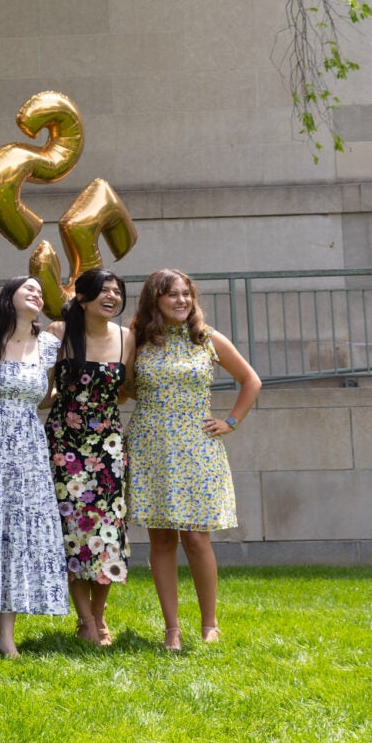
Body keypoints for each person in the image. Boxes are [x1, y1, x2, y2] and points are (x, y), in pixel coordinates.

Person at [126, 268, 261, 651]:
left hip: (196, 450)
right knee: (162, 539)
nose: (182, 300)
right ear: (155, 300)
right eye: (172, 295)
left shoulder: (205, 338)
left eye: (186, 294)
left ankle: (209, 623)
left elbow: (251, 380)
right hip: (149, 446)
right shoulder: (137, 340)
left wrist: (230, 421)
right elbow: (123, 389)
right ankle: (172, 629)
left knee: (197, 539)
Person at [0, 275, 67, 657]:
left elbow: (47, 394)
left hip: (29, 449)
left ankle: (5, 636)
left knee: (18, 533)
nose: (36, 292)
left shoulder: (50, 345)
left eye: (40, 289)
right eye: (28, 288)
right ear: (9, 296)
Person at [43, 269, 134, 646]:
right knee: (74, 531)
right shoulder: (58, 333)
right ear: (82, 297)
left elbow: (126, 390)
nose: (111, 297)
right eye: (103, 291)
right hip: (65, 444)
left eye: (116, 292)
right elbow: (44, 389)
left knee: (107, 532)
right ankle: (85, 620)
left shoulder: (128, 338)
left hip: (109, 447)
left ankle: (99, 616)